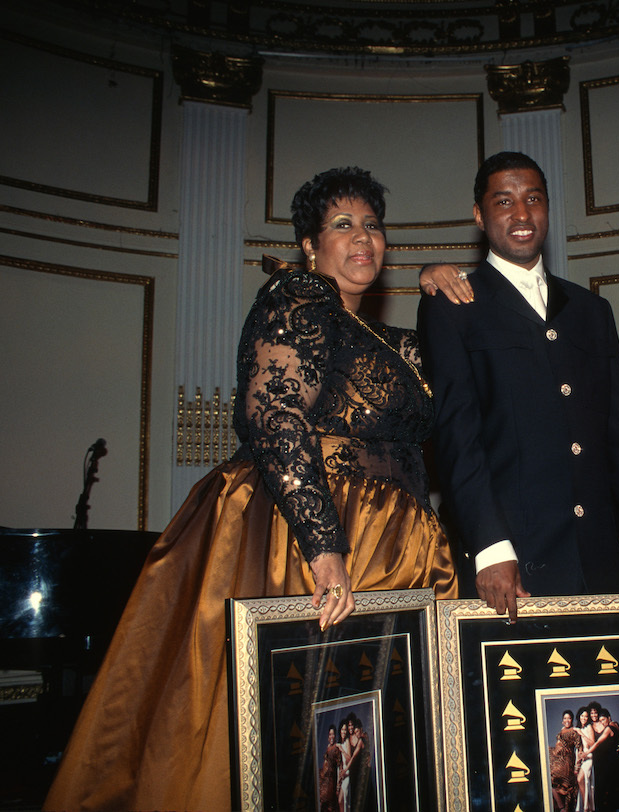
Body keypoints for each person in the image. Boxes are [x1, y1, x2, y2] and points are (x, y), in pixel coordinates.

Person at [43, 167, 458, 811]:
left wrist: (443, 282)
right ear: (308, 245)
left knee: (382, 731)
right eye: (342, 225)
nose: (363, 239)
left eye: (372, 225)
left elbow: (472, 363)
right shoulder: (297, 298)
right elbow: (275, 415)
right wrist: (324, 547)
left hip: (401, 540)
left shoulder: (391, 340)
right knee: (294, 725)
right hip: (310, 529)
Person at [416, 151, 619, 622]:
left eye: (533, 199)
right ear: (479, 215)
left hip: (606, 556)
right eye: (504, 201)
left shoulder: (591, 310)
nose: (521, 214)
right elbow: (458, 439)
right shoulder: (453, 307)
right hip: (514, 562)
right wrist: (491, 547)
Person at [549, 710, 582, 811]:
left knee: (562, 785)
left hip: (566, 762)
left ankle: (563, 807)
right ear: (562, 720)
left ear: (572, 720)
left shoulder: (574, 731)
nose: (567, 720)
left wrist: (577, 765)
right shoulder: (562, 730)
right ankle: (561, 807)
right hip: (557, 760)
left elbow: (579, 748)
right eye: (565, 718)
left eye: (569, 718)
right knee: (551, 783)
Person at [575, 707, 597, 812]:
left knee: (580, 779)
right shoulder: (579, 728)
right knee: (583, 782)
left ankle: (586, 807)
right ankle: (587, 806)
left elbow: (593, 743)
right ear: (579, 716)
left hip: (590, 758)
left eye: (586, 716)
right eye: (582, 715)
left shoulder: (588, 727)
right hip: (583, 759)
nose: (584, 718)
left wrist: (582, 734)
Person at [319, 725, 341, 812]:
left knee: (330, 805)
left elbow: (339, 766)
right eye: (330, 734)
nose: (331, 736)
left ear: (335, 735)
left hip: (331, 780)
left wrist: (338, 786)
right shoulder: (328, 747)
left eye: (333, 734)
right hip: (324, 780)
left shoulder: (336, 748)